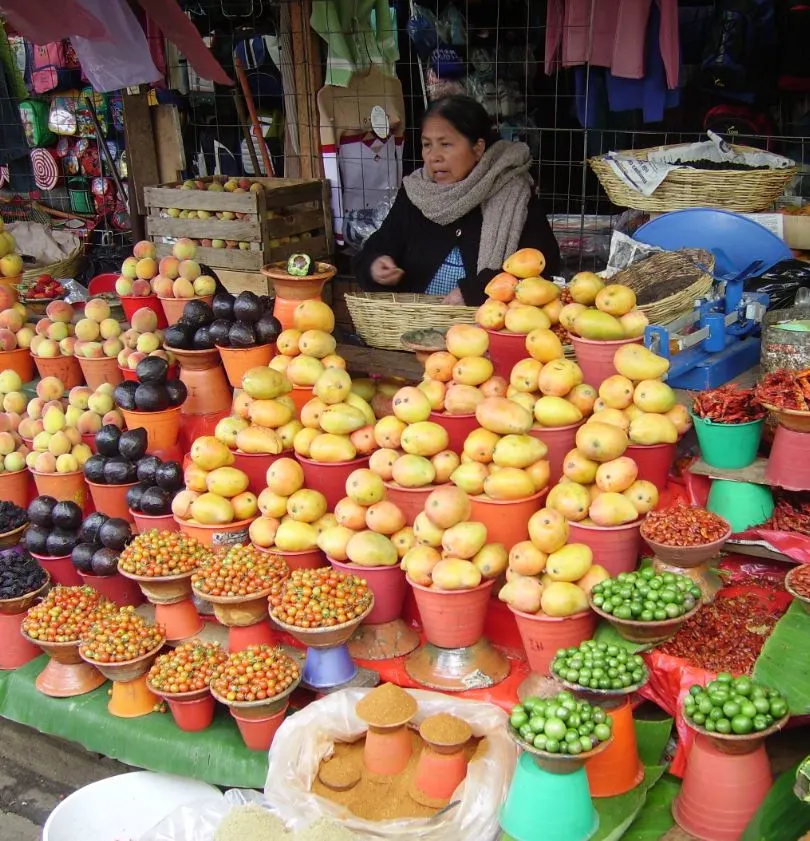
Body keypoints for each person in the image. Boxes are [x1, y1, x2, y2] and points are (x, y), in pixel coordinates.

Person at [353, 95, 561, 306]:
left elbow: (543, 267)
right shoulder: (417, 192)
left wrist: (474, 292)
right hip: (415, 326)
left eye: (446, 145)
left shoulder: (512, 194)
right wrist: (375, 266)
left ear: (478, 149)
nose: (434, 156)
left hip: (486, 326)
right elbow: (376, 248)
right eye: (427, 145)